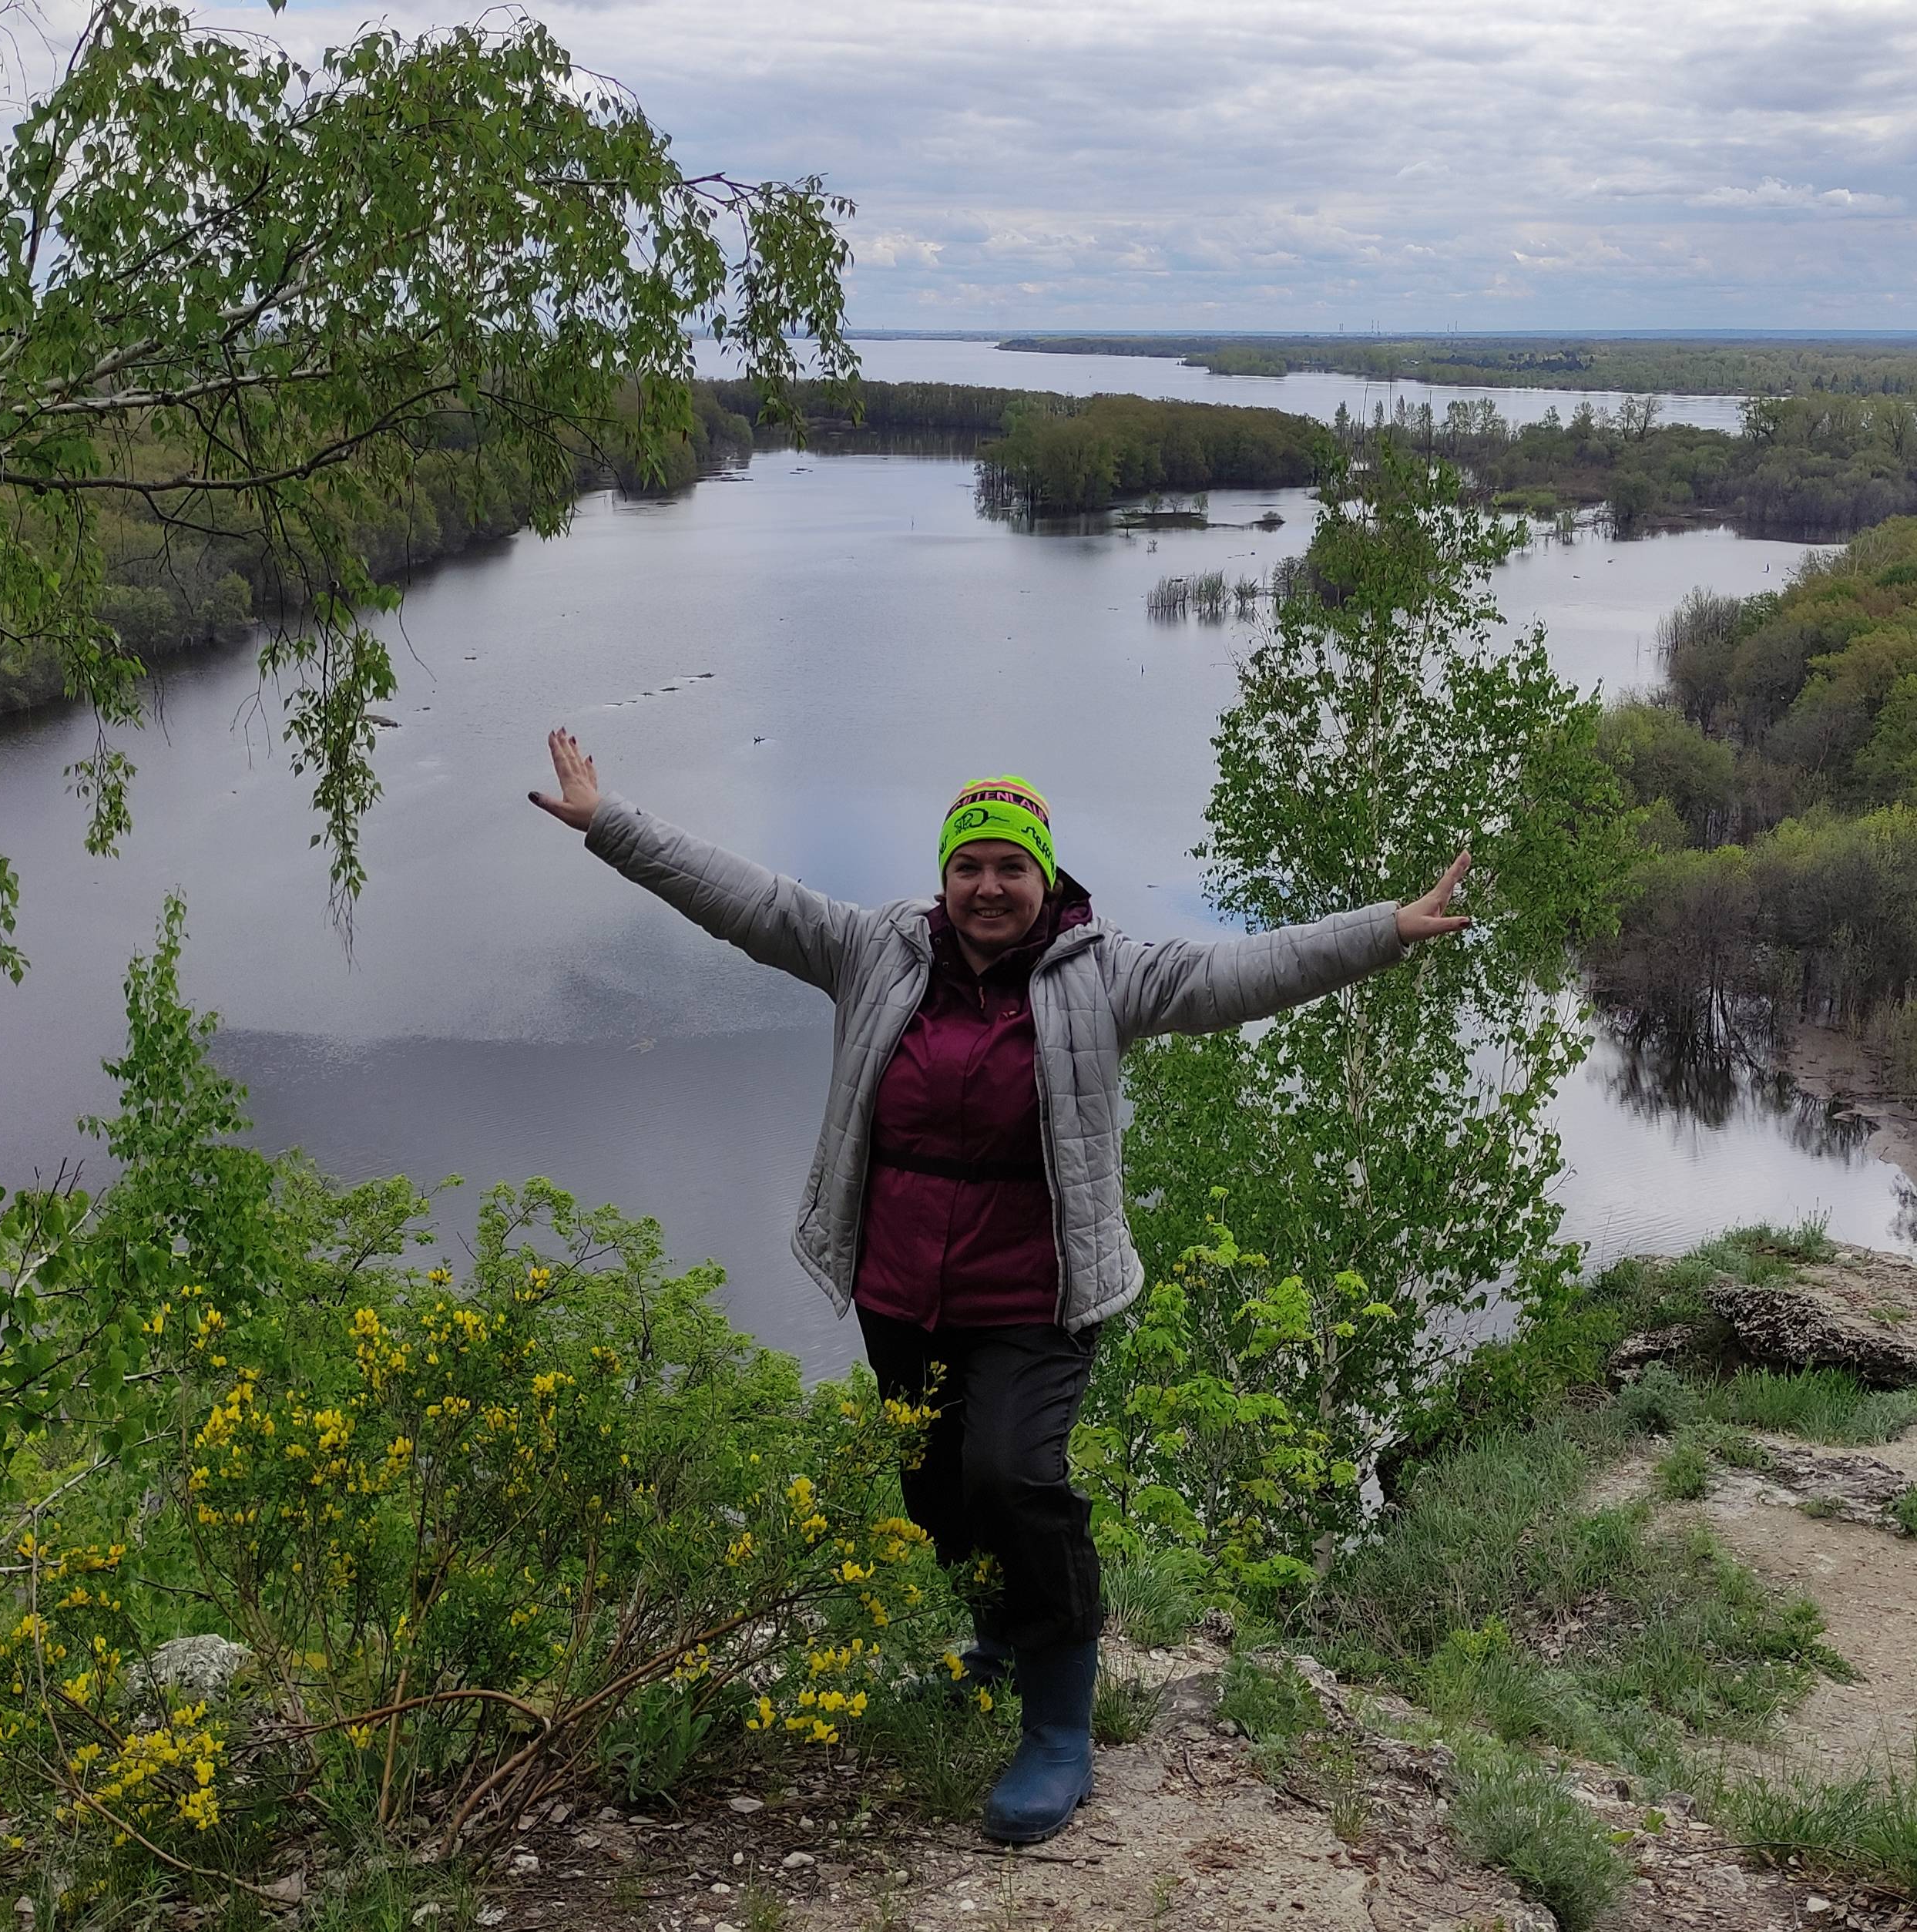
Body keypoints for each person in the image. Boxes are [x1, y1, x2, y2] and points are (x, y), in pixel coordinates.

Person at [529, 728, 1469, 1845]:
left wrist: (1384, 932)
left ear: (1045, 875)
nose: (988, 887)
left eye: (1010, 867)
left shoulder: (1102, 972)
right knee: (938, 1494)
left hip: (1036, 1291)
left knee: (1016, 1479)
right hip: (899, 1288)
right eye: (968, 865)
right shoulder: (875, 950)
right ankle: (992, 1645)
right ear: (944, 876)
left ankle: (1059, 1728)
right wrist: (612, 824)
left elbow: (1237, 975)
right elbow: (745, 898)